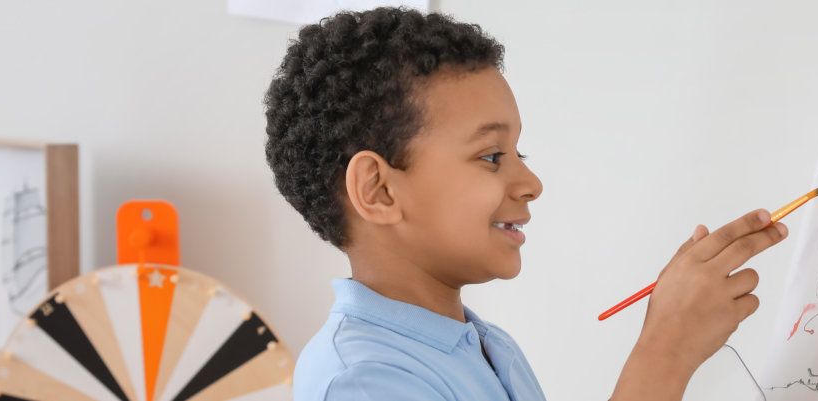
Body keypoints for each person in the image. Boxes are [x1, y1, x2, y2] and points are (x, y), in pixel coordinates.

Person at [263, 8, 788, 400]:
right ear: (378, 190)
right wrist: (666, 351)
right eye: (492, 156)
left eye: (521, 152)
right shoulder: (363, 381)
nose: (531, 181)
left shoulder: (490, 347)